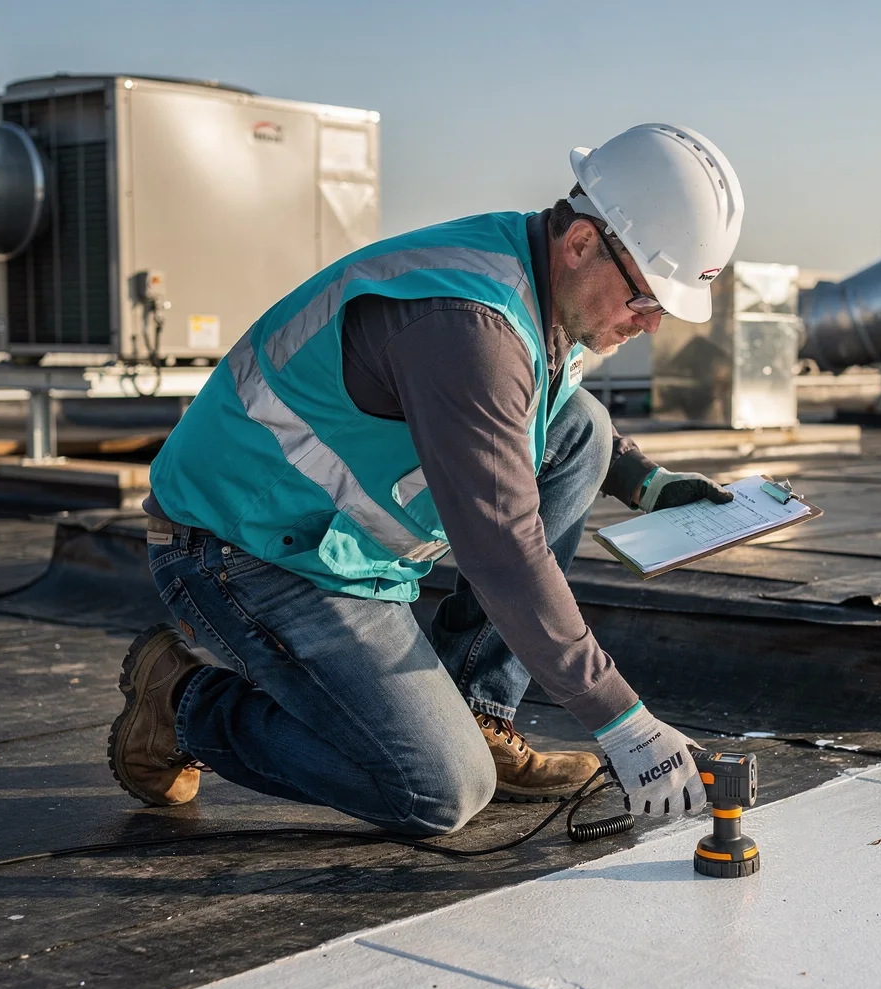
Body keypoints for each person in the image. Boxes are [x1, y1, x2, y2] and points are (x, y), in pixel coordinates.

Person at [106, 124, 745, 836]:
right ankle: (184, 703)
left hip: (314, 539)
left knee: (584, 435)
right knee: (436, 792)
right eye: (646, 299)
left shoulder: (535, 272)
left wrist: (644, 481)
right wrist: (623, 722)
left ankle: (476, 709)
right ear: (584, 243)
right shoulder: (467, 325)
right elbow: (501, 551)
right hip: (241, 553)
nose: (651, 324)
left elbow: (556, 407)